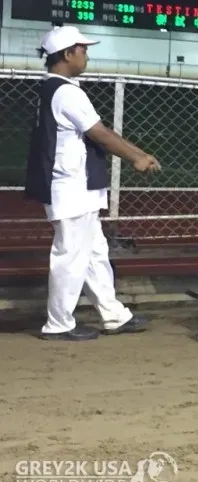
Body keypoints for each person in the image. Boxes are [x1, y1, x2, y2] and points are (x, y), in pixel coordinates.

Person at [24, 25, 162, 341]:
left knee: (94, 252)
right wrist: (136, 158)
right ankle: (59, 323)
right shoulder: (67, 92)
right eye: (83, 50)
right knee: (71, 256)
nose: (86, 55)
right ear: (68, 53)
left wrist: (140, 153)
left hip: (75, 188)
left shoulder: (52, 89)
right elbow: (100, 133)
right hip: (71, 188)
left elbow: (101, 133)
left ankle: (114, 316)